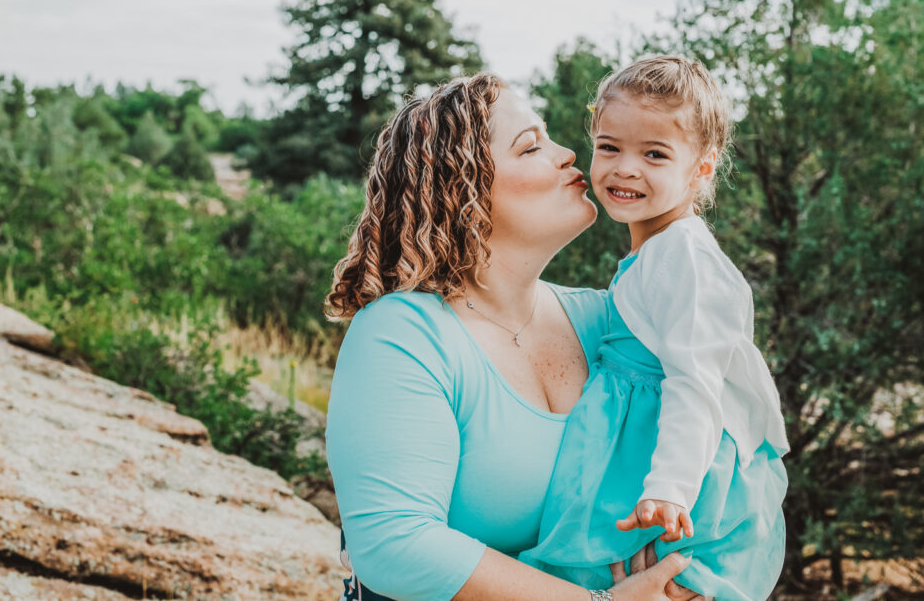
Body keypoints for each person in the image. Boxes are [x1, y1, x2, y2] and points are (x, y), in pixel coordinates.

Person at [324, 72, 709, 601]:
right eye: (531, 146)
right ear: (464, 190)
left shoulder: (610, 321)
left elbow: (712, 416)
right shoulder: (404, 333)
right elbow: (394, 544)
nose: (570, 153)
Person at [519, 57, 789, 600]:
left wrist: (671, 487)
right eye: (610, 146)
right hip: (636, 458)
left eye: (655, 154)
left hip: (673, 475)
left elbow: (696, 382)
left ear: (702, 168)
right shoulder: (658, 251)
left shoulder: (686, 256)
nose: (625, 168)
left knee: (618, 580)